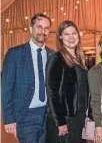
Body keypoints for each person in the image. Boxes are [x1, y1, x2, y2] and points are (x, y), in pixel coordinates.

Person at [1, 13, 53, 143]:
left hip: (48, 116)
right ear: (31, 29)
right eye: (39, 27)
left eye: (46, 28)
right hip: (25, 116)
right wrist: (8, 119)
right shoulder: (15, 53)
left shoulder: (53, 55)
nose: (43, 31)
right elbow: (6, 88)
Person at [46, 20, 88, 143]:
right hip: (64, 118)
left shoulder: (80, 59)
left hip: (78, 116)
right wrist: (60, 122)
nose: (71, 37)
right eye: (66, 34)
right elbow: (51, 92)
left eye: (74, 33)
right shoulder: (56, 58)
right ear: (60, 37)